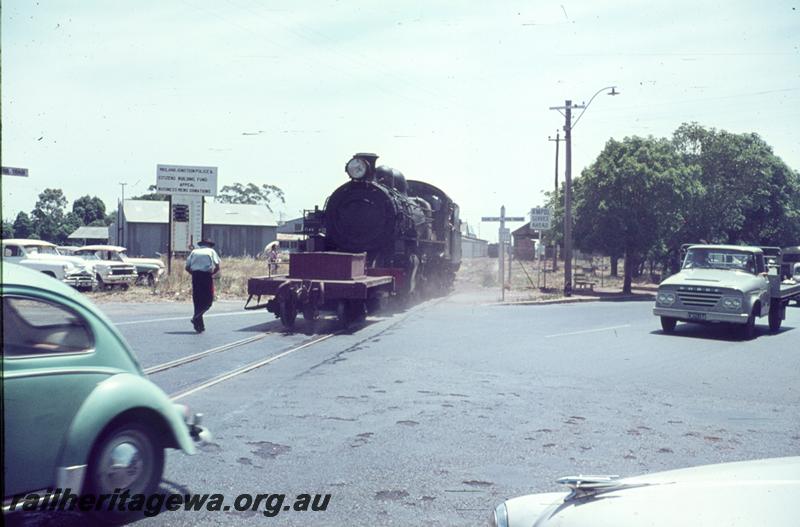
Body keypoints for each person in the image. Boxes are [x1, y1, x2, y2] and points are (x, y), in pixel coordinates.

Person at [185, 239, 221, 333]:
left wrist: (194, 274)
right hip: (206, 276)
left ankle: (199, 326)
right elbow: (217, 266)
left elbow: (187, 267)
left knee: (197, 300)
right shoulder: (211, 251)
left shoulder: (194, 252)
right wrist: (212, 273)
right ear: (209, 245)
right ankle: (196, 317)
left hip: (196, 276)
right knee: (209, 300)